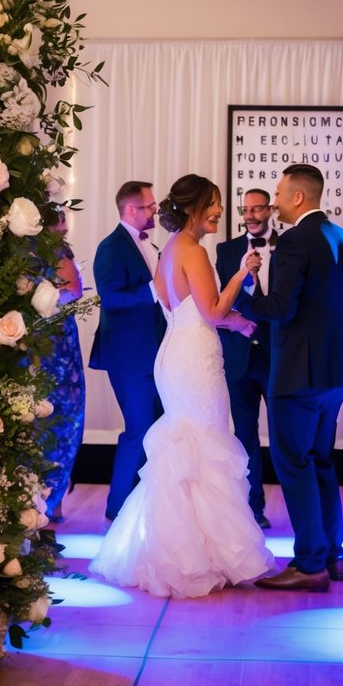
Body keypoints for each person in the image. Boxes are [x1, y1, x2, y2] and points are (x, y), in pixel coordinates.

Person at [89, 174, 274, 597]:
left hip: (175, 352)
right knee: (205, 446)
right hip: (195, 359)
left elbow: (185, 308)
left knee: (186, 448)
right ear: (194, 208)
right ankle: (201, 555)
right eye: (214, 203)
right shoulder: (192, 250)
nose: (220, 211)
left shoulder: (169, 250)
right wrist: (241, 276)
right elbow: (210, 311)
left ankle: (189, 550)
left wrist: (235, 320)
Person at [242, 163, 343, 592]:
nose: (275, 202)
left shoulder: (296, 240)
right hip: (336, 374)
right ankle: (333, 554)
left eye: (279, 194)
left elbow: (278, 308)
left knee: (293, 463)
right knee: (319, 460)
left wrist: (240, 297)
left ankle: (308, 562)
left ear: (298, 197)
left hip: (297, 373)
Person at [90, 180, 168, 520]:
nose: (155, 210)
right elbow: (111, 299)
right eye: (150, 206)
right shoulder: (111, 247)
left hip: (155, 352)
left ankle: (145, 506)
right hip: (129, 357)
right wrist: (153, 288)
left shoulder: (150, 245)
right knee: (138, 428)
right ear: (131, 209)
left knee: (157, 428)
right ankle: (117, 510)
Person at [215, 187, 277, 529]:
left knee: (284, 433)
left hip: (276, 353)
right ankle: (253, 507)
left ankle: (297, 506)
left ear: (268, 210)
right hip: (238, 354)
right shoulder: (226, 250)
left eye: (257, 209)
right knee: (245, 435)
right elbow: (220, 296)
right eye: (246, 209)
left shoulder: (288, 246)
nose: (251, 215)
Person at [39, 207, 86, 523]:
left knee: (63, 421)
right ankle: (45, 500)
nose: (65, 228)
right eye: (59, 222)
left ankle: (52, 499)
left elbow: (74, 291)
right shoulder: (37, 254)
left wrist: (41, 297)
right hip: (45, 347)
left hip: (58, 344)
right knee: (51, 422)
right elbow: (72, 290)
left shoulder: (59, 252)